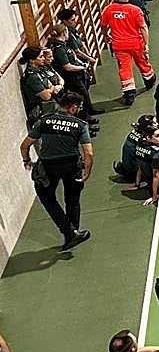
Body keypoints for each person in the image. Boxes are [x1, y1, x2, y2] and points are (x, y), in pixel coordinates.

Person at [20, 91, 93, 251]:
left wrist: (26, 160)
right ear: (73, 107)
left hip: (48, 166)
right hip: (71, 165)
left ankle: (69, 232)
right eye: (79, 107)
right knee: (72, 199)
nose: (79, 110)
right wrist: (87, 171)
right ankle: (73, 232)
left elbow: (25, 145)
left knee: (46, 196)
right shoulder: (80, 125)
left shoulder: (44, 121)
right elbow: (88, 152)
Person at [100, 0, 156, 106]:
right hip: (136, 44)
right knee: (143, 63)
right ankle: (149, 79)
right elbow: (143, 27)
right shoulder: (135, 10)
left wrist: (106, 36)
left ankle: (129, 93)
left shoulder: (109, 9)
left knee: (124, 69)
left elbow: (103, 25)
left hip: (119, 45)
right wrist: (146, 44)